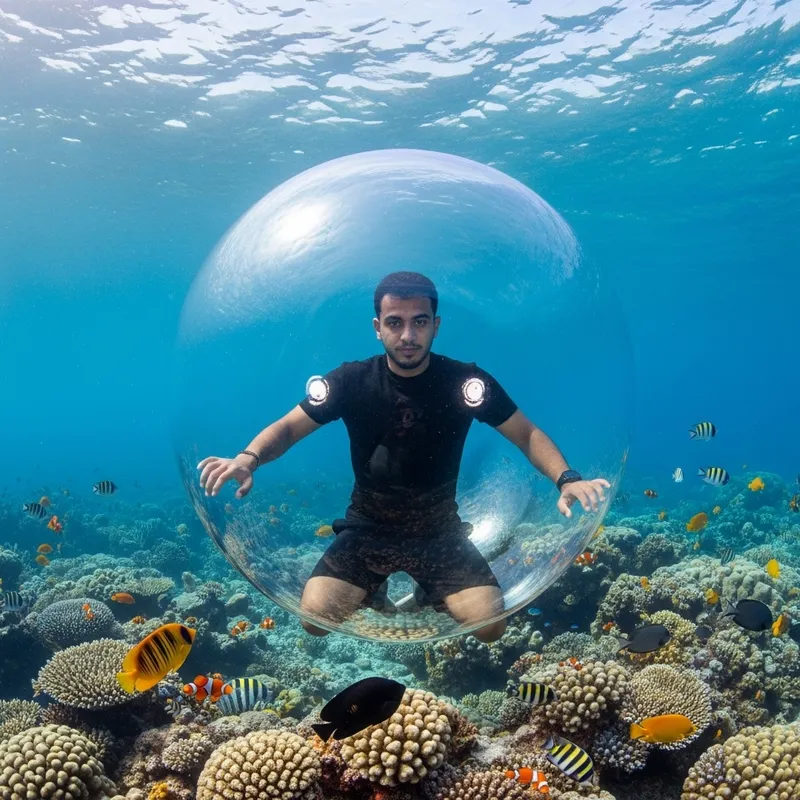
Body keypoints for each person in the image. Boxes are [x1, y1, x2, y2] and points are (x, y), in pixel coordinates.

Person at [198, 272, 609, 643]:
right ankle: (372, 587)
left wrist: (566, 477)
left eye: (420, 321)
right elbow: (288, 427)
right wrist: (248, 458)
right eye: (395, 322)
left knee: (488, 627)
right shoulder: (349, 380)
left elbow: (526, 433)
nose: (408, 334)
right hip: (367, 526)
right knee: (315, 619)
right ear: (378, 328)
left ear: (436, 325)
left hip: (439, 530)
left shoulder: (467, 382)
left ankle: (429, 590)